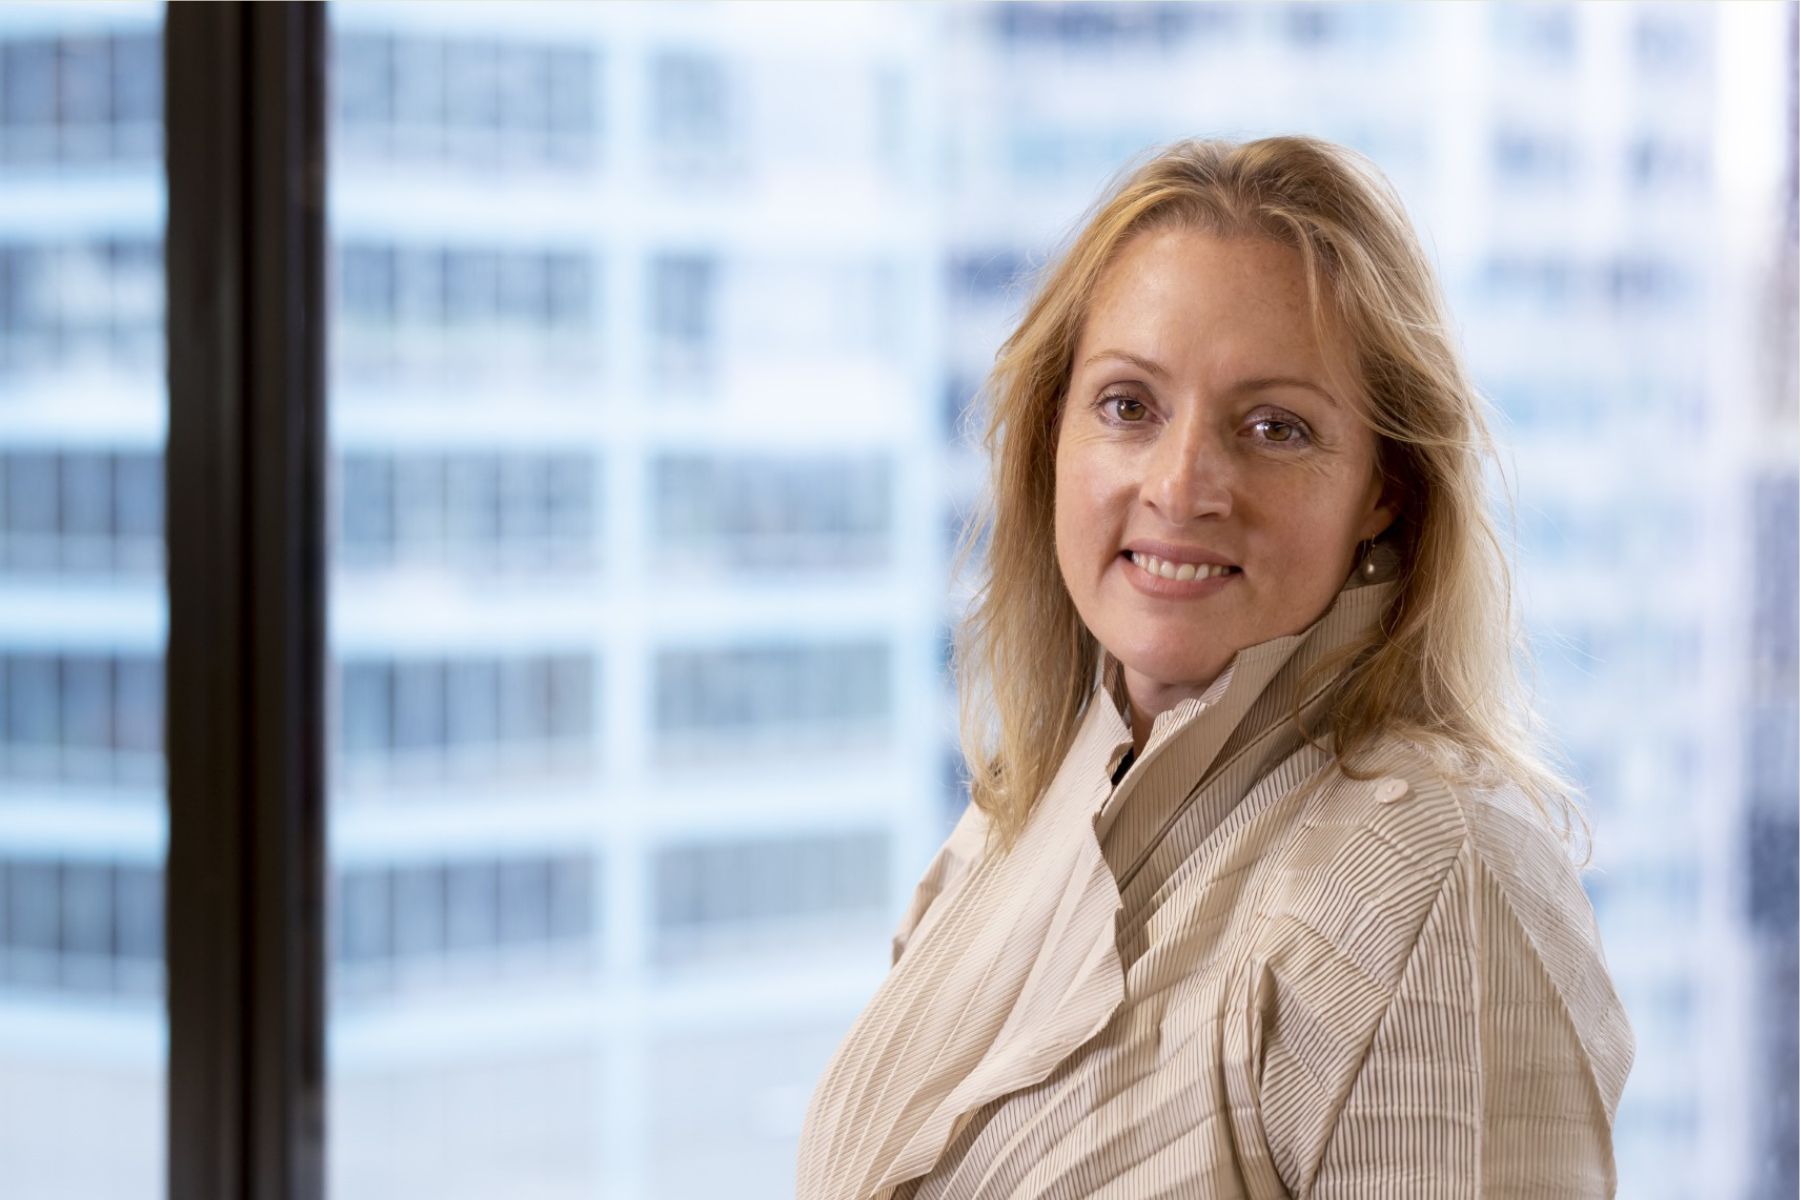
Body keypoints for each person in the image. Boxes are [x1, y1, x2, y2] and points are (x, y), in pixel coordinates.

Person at [796, 136, 1634, 1199]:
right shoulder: (1022, 819)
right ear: (1053, 436)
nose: (1184, 484)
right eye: (1128, 406)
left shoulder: (1438, 883)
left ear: (1387, 488)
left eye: (1275, 427)